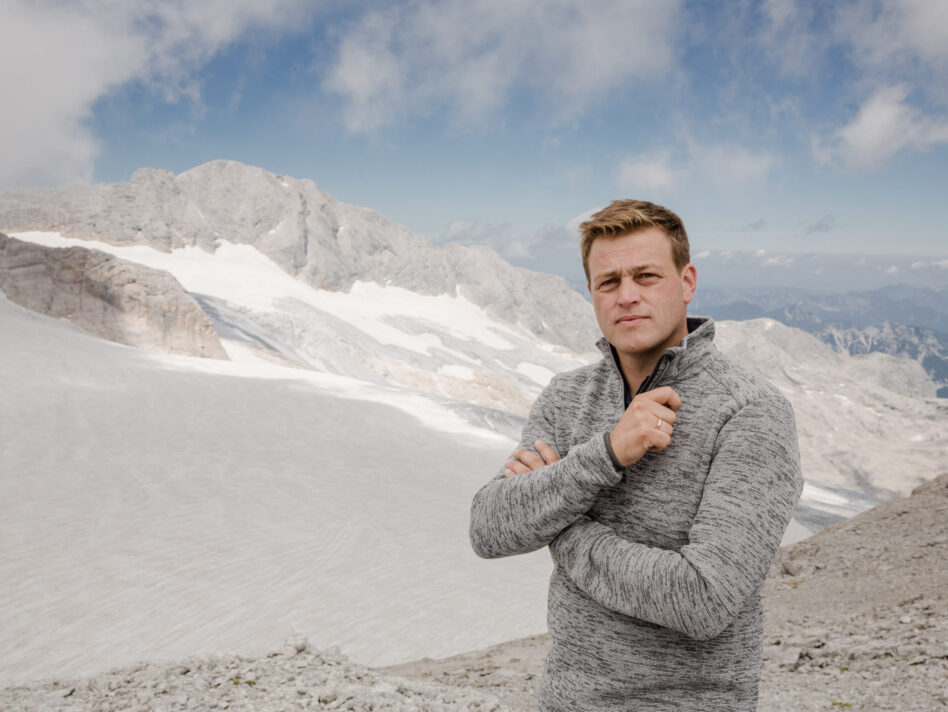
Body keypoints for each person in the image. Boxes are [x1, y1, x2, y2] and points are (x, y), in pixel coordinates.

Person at [469, 200, 803, 711]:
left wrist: (562, 524)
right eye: (609, 282)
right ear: (591, 293)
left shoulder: (752, 412)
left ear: (686, 282)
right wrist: (604, 455)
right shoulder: (568, 396)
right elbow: (489, 529)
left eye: (646, 276)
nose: (627, 296)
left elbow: (704, 599)